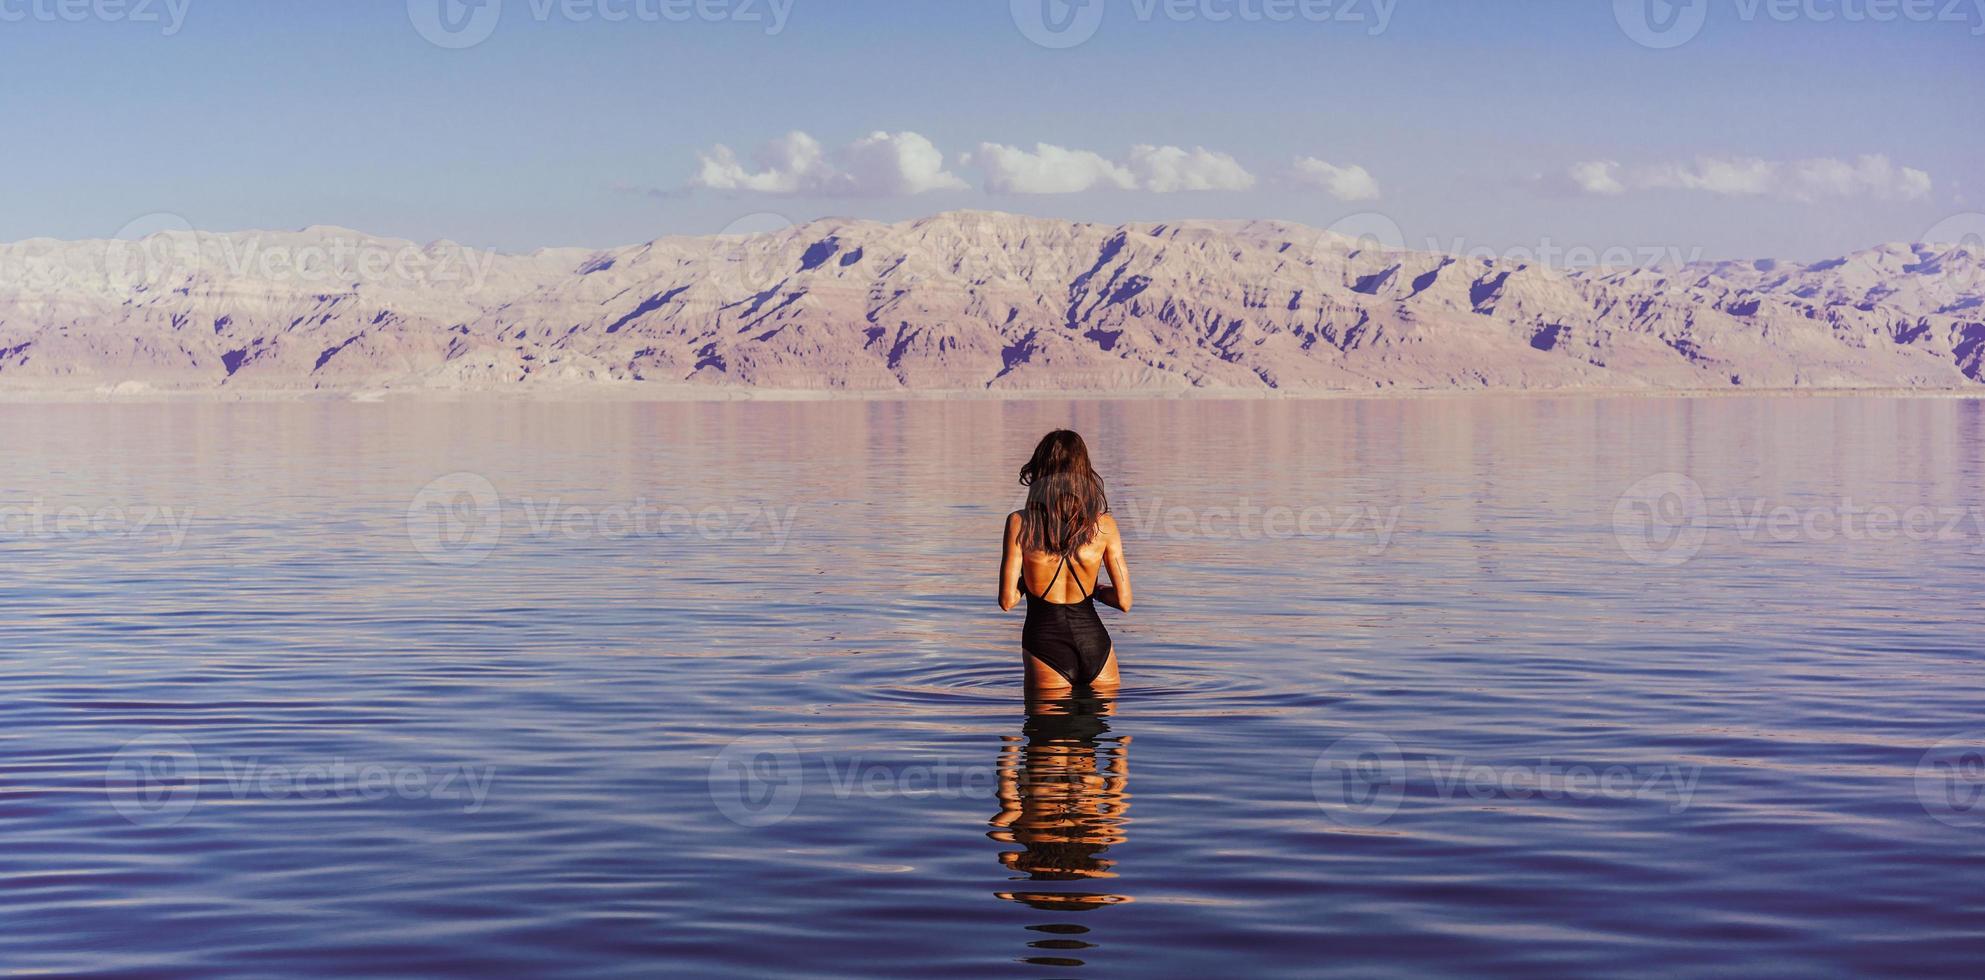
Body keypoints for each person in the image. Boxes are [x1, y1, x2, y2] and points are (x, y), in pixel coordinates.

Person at [998, 430, 1132, 695]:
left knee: (1045, 733)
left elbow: (1007, 601)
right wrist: (1095, 589)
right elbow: (1124, 602)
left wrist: (1028, 581)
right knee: (1102, 732)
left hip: (1045, 644)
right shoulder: (1105, 526)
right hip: (1096, 646)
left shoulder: (1019, 523)